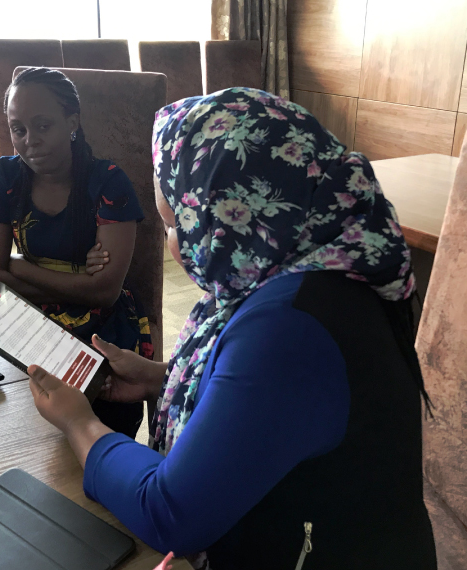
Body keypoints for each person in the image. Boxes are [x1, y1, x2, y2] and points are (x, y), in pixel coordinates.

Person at [26, 88, 437, 569]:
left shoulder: (289, 330)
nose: (173, 243)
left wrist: (80, 423)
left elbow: (171, 512)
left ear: (223, 215)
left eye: (174, 224)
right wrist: (164, 376)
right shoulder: (322, 260)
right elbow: (281, 406)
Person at [0, 67, 150, 438]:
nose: (29, 141)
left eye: (43, 126)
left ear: (72, 121)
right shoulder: (6, 177)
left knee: (98, 434)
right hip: (26, 325)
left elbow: (105, 293)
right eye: (17, 128)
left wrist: (18, 265)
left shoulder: (107, 181)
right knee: (2, 425)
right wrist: (76, 281)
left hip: (103, 332)